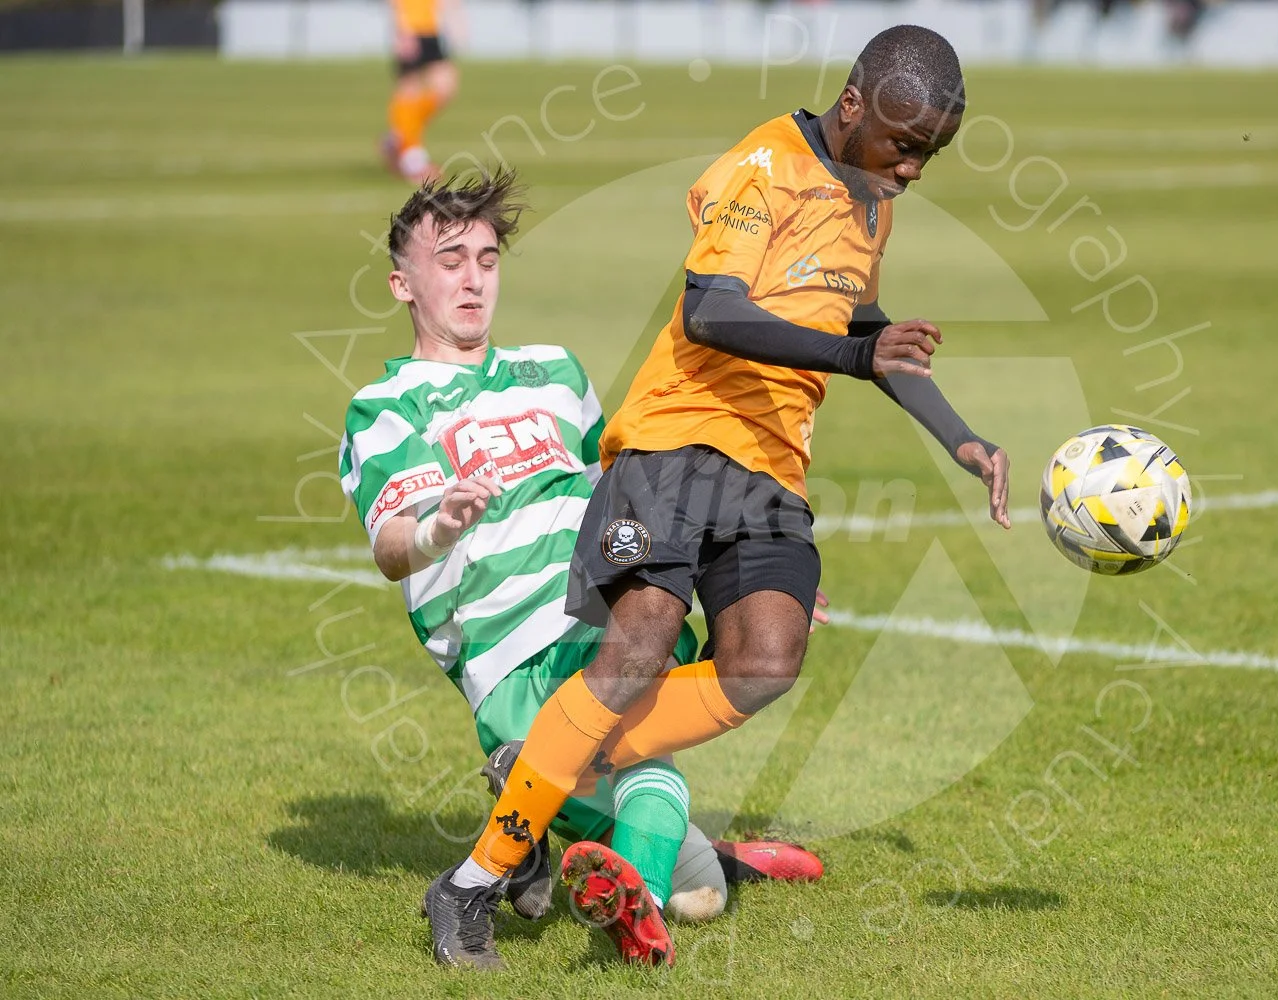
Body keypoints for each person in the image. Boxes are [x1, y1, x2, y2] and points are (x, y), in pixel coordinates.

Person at [460, 24, 1013, 964]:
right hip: (676, 443)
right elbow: (710, 308)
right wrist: (851, 354)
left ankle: (551, 768)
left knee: (767, 658)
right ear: (853, 105)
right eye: (906, 144)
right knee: (634, 649)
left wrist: (961, 436)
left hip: (768, 469)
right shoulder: (764, 166)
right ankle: (472, 883)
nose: (916, 168)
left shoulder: (871, 202)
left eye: (933, 153)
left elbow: (861, 328)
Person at [337, 172, 821, 972]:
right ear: (402, 283)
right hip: (509, 645)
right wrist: (439, 525)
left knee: (689, 868)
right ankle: (618, 868)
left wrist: (746, 578)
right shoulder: (388, 403)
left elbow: (626, 496)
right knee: (666, 826)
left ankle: (562, 817)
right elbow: (392, 547)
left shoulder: (555, 372)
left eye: (487, 259)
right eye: (449, 259)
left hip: (600, 613)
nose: (472, 279)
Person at [380, 0, 458, 184]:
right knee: (409, 92)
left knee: (445, 88)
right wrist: (403, 29)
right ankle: (413, 160)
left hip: (431, 29)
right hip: (409, 29)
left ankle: (397, 138)